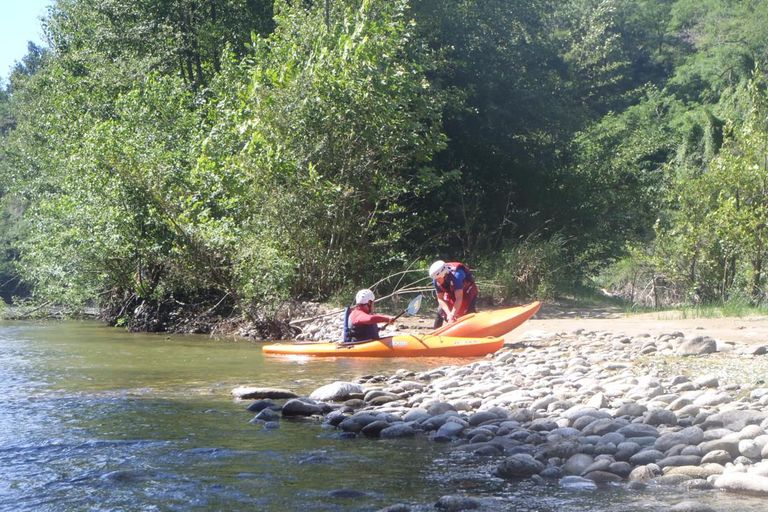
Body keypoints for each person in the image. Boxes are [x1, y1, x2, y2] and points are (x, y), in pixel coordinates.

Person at [429, 260, 478, 328]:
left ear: (444, 274)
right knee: (441, 311)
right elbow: (440, 299)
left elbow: (459, 298)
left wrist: (452, 314)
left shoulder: (457, 276)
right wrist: (449, 314)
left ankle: (475, 328)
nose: (437, 281)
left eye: (438, 279)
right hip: (452, 291)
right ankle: (434, 334)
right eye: (435, 279)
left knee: (468, 312)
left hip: (468, 291)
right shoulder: (436, 280)